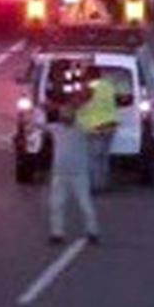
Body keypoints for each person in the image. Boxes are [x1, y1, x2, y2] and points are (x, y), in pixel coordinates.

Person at [47, 103, 100, 246]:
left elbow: (95, 132)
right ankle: (56, 233)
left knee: (85, 204)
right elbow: (40, 126)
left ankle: (92, 232)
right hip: (60, 173)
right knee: (56, 204)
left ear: (73, 116)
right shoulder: (56, 128)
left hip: (78, 174)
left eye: (67, 114)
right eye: (63, 115)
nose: (64, 117)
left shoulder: (81, 129)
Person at [76, 65, 120, 192]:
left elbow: (80, 102)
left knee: (93, 158)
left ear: (89, 76)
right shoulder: (108, 86)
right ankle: (104, 183)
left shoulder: (89, 87)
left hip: (95, 127)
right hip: (110, 124)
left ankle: (94, 186)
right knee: (104, 157)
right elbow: (117, 100)